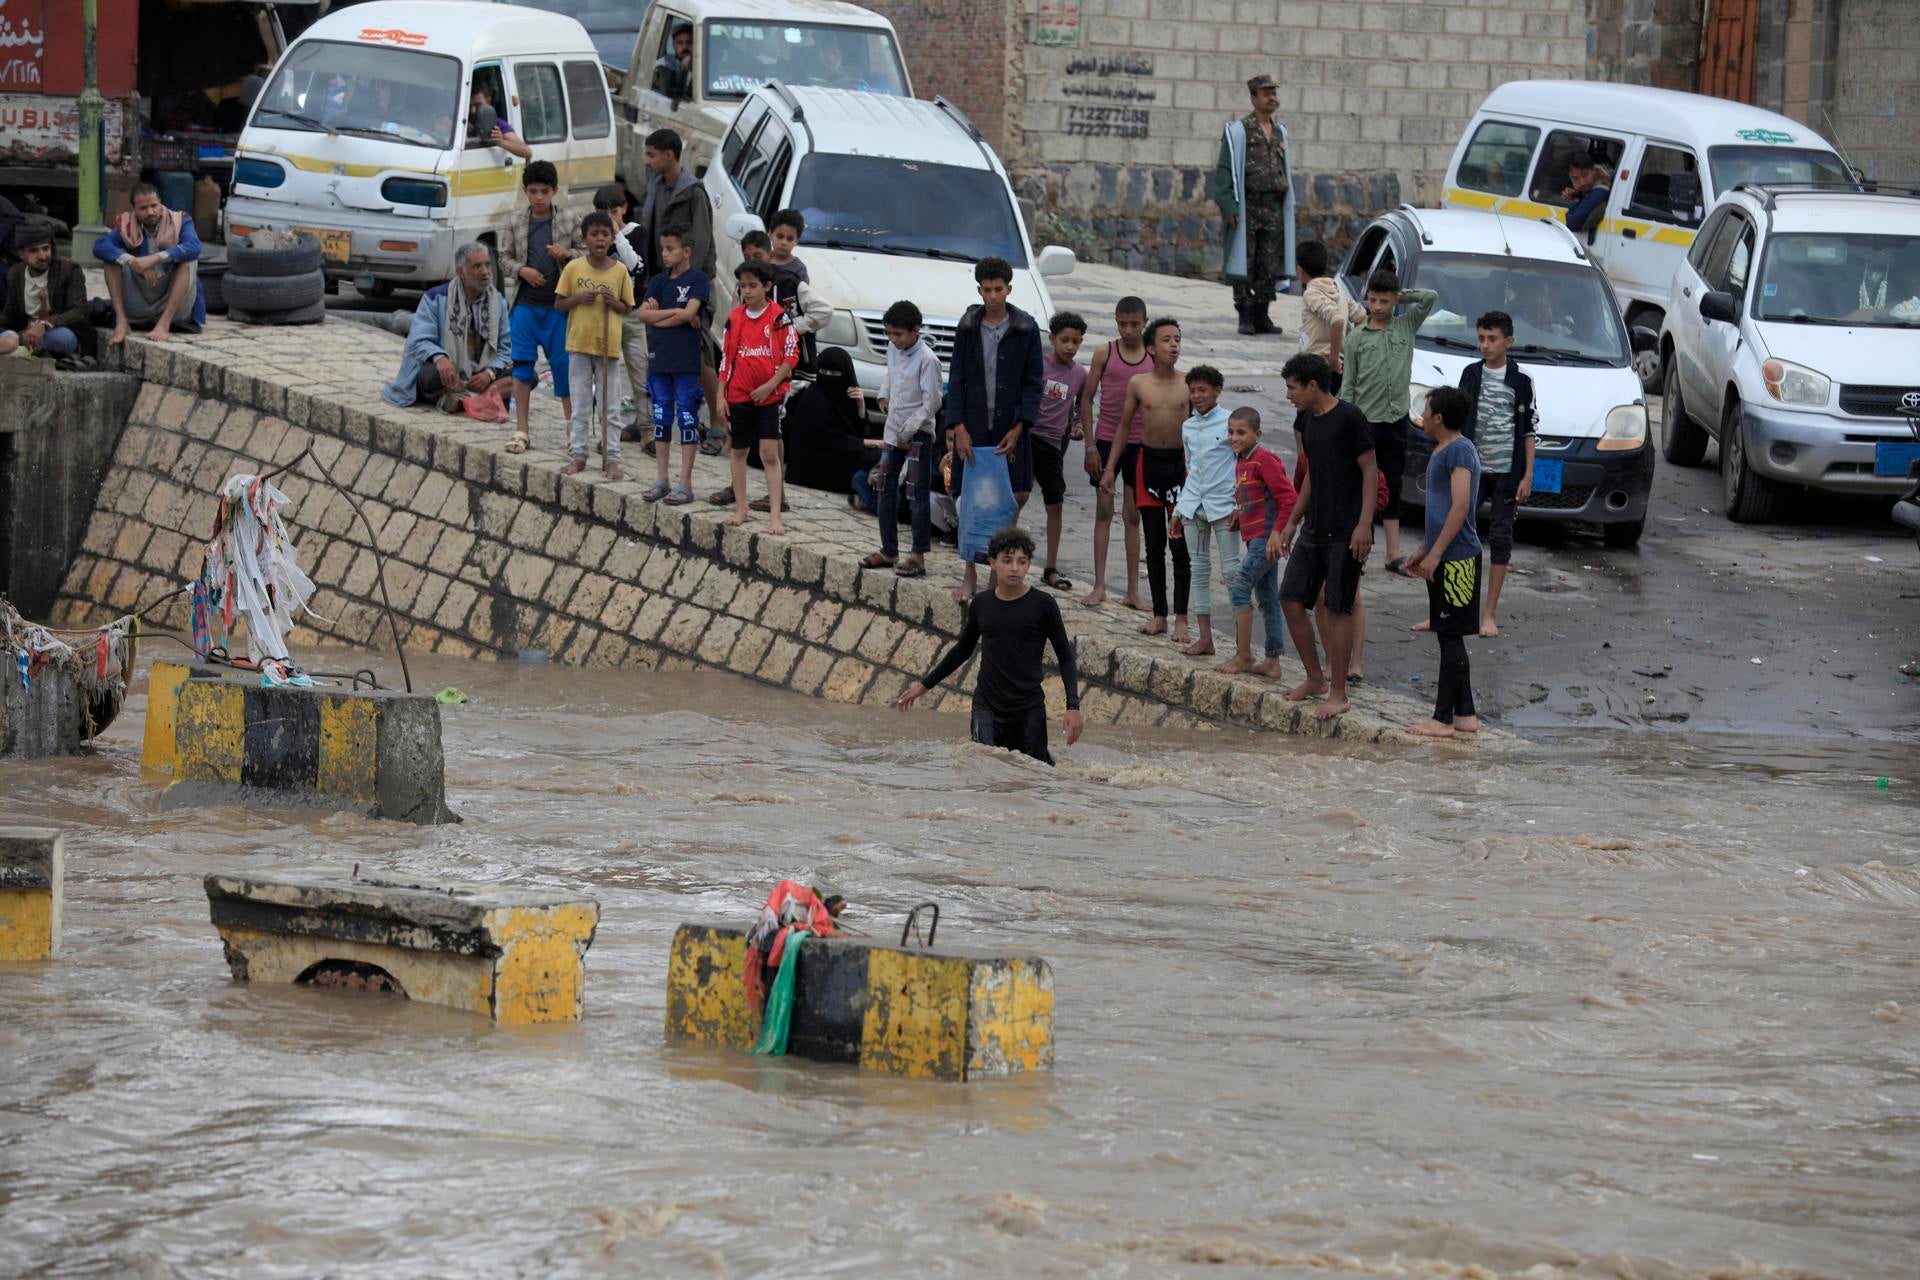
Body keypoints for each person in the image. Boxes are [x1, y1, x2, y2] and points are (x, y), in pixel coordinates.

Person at [896, 527, 1084, 765]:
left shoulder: (1043, 605)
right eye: (1007, 560)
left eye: (1022, 561)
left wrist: (1073, 706)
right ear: (993, 562)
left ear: (1028, 565)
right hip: (987, 707)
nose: (1015, 568)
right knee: (984, 764)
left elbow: (1065, 657)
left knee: (1036, 773)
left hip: (1028, 709)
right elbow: (962, 650)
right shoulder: (982, 604)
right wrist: (923, 686)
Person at [1276, 353, 1375, 722]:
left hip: (1347, 531)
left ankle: (1338, 692)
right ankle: (1315, 678)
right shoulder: (1307, 421)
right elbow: (1312, 476)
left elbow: (1370, 472)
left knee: (1337, 607)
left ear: (1312, 385)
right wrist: (1291, 522)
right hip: (1314, 528)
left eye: (1292, 388)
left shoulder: (1350, 418)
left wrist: (1365, 524)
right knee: (1290, 598)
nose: (1288, 395)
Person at [946, 256, 1044, 602]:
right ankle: (969, 574)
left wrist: (1020, 426)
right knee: (969, 500)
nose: (992, 296)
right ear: (979, 290)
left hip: (1009, 428)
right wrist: (958, 427)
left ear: (1009, 289)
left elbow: (1034, 384)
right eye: (986, 290)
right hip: (973, 426)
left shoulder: (1025, 329)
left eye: (998, 289)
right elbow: (956, 379)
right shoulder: (968, 327)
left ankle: (995, 575)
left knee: (1007, 500)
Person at [1343, 268, 1436, 574]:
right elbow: (1349, 384)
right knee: (1361, 484)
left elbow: (1430, 297)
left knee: (1393, 483)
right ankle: (1360, 545)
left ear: (1394, 301)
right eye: (1373, 300)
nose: (1379, 306)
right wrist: (1346, 421)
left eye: (1385, 300)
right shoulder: (1356, 338)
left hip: (1395, 418)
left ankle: (1393, 552)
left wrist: (1401, 295)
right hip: (1364, 420)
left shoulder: (1405, 326)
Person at [1402, 387, 1483, 737]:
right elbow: (1439, 512)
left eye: (1427, 409)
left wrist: (1436, 554)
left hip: (1458, 560)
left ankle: (1442, 719)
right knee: (1447, 634)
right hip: (1441, 557)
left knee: (1450, 637)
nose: (1422, 414)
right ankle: (1465, 714)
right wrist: (1425, 550)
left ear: (1439, 417)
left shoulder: (1461, 451)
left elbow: (1461, 507)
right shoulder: (1443, 450)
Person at [1104, 317, 1191, 641]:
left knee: (1180, 546)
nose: (1174, 345)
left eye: (1178, 339)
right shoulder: (1139, 384)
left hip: (1180, 467)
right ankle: (1160, 615)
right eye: (1167, 339)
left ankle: (1181, 616)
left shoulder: (1188, 383)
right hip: (1148, 463)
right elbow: (1124, 427)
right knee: (1154, 545)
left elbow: (1199, 431)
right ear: (1152, 347)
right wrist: (1111, 467)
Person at [637, 129, 720, 452]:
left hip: (691, 284)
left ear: (670, 155)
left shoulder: (693, 193)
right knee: (660, 350)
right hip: (662, 281)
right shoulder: (656, 185)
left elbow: (698, 244)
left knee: (699, 353)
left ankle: (718, 423)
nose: (647, 160)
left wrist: (688, 288)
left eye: (652, 154)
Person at [1458, 310, 1536, 638]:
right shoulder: (1470, 374)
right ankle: (1455, 607)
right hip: (1472, 471)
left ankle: (1489, 612)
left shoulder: (1520, 381)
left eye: (1492, 339)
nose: (1485, 345)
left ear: (1509, 341)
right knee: (1459, 533)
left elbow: (1530, 429)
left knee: (1501, 537)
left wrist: (1527, 475)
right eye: (1481, 338)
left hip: (1506, 472)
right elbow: (1456, 423)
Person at [499, 160, 581, 454]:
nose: (538, 197)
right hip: (525, 305)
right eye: (533, 191)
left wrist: (566, 254)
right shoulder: (515, 221)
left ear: (554, 191)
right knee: (522, 366)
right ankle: (521, 430)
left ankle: (574, 433)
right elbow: (504, 257)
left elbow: (586, 255)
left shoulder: (570, 219)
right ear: (525, 192)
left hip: (559, 306)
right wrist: (523, 271)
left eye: (544, 191)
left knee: (563, 366)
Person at [1078, 296, 1150, 609]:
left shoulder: (1153, 355)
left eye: (1135, 324)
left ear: (1145, 322)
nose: (1129, 329)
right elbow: (1086, 399)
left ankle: (1134, 590)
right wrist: (1090, 445)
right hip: (1107, 441)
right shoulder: (1105, 352)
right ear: (1116, 321)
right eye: (1123, 324)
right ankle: (1099, 585)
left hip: (1140, 443)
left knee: (1133, 515)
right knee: (1104, 511)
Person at [381, 241, 511, 410]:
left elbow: (505, 348)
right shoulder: (436, 298)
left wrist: (489, 373)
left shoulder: (497, 302)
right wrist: (440, 357)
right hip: (450, 373)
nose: (485, 272)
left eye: (487, 265)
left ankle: (467, 400)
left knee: (527, 376)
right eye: (477, 266)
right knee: (431, 376)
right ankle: (479, 397)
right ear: (461, 272)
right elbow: (419, 340)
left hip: (481, 375)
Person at [1215, 407, 1296, 677]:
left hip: (1265, 539)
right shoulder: (1242, 460)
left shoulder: (1264, 459)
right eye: (1230, 432)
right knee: (1268, 598)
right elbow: (1255, 494)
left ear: (1257, 434)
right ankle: (1273, 661)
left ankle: (1244, 655)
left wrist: (1277, 533)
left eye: (1241, 432)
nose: (1235, 437)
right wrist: (1240, 512)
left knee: (1239, 589)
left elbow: (1288, 499)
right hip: (1255, 538)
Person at [865, 299, 942, 578]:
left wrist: (907, 433)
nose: (894, 339)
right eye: (890, 334)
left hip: (917, 432)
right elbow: (891, 374)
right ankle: (889, 550)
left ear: (915, 330)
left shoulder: (927, 360)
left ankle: (918, 555)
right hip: (893, 429)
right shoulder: (892, 348)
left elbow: (931, 402)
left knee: (916, 493)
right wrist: (884, 394)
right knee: (885, 486)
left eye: (899, 334)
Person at [719, 260, 797, 534]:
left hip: (770, 395)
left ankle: (776, 515)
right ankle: (741, 507)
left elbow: (791, 356)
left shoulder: (779, 317)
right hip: (739, 394)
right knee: (739, 449)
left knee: (769, 452)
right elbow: (726, 357)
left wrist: (770, 385)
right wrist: (721, 394)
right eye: (743, 286)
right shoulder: (736, 318)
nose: (748, 291)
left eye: (753, 286)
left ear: (767, 287)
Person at [556, 212, 635, 480]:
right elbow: (560, 304)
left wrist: (615, 304)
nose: (600, 239)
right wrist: (578, 298)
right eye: (594, 234)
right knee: (580, 403)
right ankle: (578, 454)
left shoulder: (620, 271)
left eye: (605, 234)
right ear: (585, 238)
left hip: (608, 348)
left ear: (612, 239)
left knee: (609, 405)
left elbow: (627, 308)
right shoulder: (574, 268)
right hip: (579, 344)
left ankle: (612, 458)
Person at [1214, 73, 1294, 337]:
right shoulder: (1238, 131)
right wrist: (1228, 205)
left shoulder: (1280, 131)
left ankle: (1262, 315)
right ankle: (1245, 315)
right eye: (1266, 93)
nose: (1272, 97)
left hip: (1273, 207)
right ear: (1254, 98)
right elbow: (1225, 169)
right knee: (1243, 261)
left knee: (1268, 263)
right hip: (1247, 206)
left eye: (1274, 92)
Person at [636, 228, 708, 505]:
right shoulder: (657, 281)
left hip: (685, 361)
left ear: (686, 251)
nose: (665, 254)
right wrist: (674, 314)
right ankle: (662, 478)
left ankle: (685, 483)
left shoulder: (698, 280)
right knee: (661, 416)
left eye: (670, 249)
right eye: (663, 248)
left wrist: (659, 317)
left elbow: (691, 313)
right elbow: (643, 314)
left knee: (687, 416)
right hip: (659, 360)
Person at [1170, 365, 1238, 658]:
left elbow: (1243, 465)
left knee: (1234, 572)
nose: (1197, 396)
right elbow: (1192, 469)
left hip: (1225, 506)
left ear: (1217, 391)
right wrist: (1179, 509)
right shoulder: (1188, 426)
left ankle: (1242, 645)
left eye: (1203, 390)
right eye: (1193, 390)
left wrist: (1240, 504)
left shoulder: (1230, 423)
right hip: (1193, 506)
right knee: (1198, 571)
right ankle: (1205, 638)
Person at [94, 183, 205, 345]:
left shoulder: (181, 220)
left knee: (189, 260)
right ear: (133, 209)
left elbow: (194, 246)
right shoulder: (126, 224)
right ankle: (122, 321)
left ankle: (164, 324)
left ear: (161, 203)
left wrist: (155, 258)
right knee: (111, 260)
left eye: (154, 205)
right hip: (140, 302)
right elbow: (100, 246)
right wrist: (133, 262)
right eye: (143, 208)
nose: (150, 212)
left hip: (173, 304)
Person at [1029, 311, 1088, 591]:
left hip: (1053, 446)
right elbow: (1022, 393)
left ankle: (1050, 566)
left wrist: (1077, 426)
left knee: (1055, 503)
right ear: (1052, 338)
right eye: (1065, 340)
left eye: (1076, 342)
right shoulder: (1037, 366)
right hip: (1027, 438)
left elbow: (1082, 406)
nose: (1070, 347)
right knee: (1016, 497)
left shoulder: (1079, 374)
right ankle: (1004, 556)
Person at [779, 346, 877, 493]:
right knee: (874, 458)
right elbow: (829, 440)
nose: (828, 376)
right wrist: (870, 443)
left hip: (841, 455)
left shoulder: (846, 395)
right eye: (823, 372)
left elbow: (860, 432)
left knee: (882, 457)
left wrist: (860, 406)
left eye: (834, 373)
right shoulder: (812, 399)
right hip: (815, 466)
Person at [593, 183, 649, 435]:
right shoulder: (596, 237)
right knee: (608, 375)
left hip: (633, 313)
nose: (609, 218)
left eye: (613, 211)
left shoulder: (637, 233)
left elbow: (636, 266)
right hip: (606, 312)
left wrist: (617, 235)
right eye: (603, 212)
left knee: (640, 371)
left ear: (624, 209)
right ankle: (609, 431)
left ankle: (646, 426)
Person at [1, 224, 91, 361]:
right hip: (25, 332)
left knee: (62, 338)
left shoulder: (69, 270)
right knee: (8, 335)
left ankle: (15, 349)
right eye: (34, 251)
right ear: (21, 253)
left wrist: (45, 325)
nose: (42, 256)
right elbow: (9, 315)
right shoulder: (15, 273)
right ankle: (16, 348)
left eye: (46, 248)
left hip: (59, 331)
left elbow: (80, 311)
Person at [1296, 240, 1365, 385]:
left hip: (1314, 366)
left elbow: (1337, 320)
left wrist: (1333, 357)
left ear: (1300, 271)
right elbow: (1361, 316)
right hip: (1337, 368)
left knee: (1309, 407)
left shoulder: (1312, 293)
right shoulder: (1337, 290)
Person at [469, 84, 532, 159]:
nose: (473, 110)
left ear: (488, 100)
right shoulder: (460, 123)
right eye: (470, 106)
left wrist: (500, 142)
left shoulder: (497, 123)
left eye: (478, 105)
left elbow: (527, 152)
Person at [1562, 154, 1611, 243]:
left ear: (1593, 170)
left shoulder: (1600, 191)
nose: (1582, 182)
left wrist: (1575, 201)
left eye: (1585, 175)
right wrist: (1577, 194)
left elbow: (1572, 223)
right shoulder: (1599, 174)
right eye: (1575, 178)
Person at [651, 23, 694, 100]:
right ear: (674, 45)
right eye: (680, 43)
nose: (685, 47)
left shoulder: (704, 66)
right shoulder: (663, 64)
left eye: (689, 42)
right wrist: (682, 68)